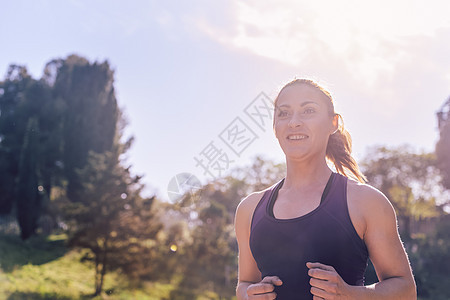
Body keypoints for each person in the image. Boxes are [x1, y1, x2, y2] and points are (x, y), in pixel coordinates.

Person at [234, 79, 417, 299]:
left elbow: (405, 289)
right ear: (275, 127)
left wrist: (349, 294)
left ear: (333, 123)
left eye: (308, 110)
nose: (294, 122)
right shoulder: (249, 209)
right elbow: (244, 283)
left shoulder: (366, 202)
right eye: (283, 113)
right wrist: (248, 295)